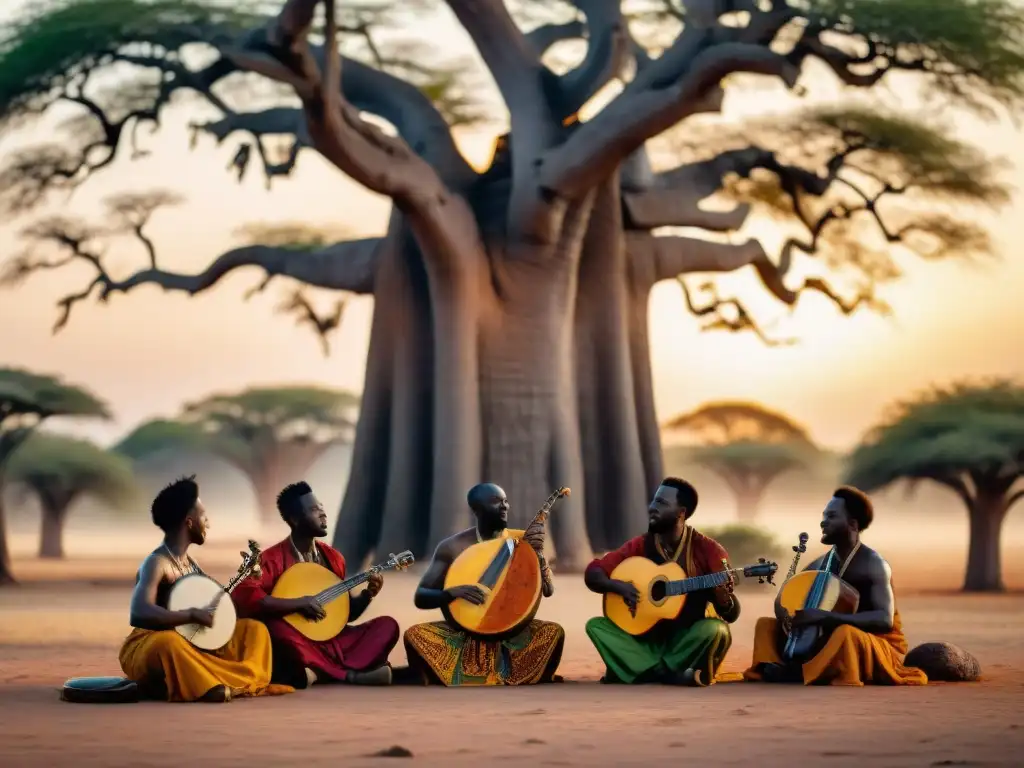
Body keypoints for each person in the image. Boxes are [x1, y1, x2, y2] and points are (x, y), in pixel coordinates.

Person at [118, 475, 292, 702]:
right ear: (189, 522)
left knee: (253, 630)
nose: (207, 523)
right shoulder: (157, 563)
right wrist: (189, 615)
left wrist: (247, 579)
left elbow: (217, 604)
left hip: (192, 642)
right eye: (204, 516)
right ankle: (211, 684)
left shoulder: (192, 565)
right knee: (169, 643)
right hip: (149, 643)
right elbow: (139, 612)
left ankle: (211, 682)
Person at [744, 486, 928, 686]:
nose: (823, 521)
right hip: (824, 639)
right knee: (765, 625)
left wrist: (826, 617)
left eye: (831, 516)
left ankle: (800, 673)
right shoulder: (819, 564)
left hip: (874, 644)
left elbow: (884, 620)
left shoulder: (873, 564)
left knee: (845, 633)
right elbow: (790, 599)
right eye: (824, 516)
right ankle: (772, 666)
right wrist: (787, 608)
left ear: (853, 524)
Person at [231, 481, 400, 687]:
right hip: (297, 637)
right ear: (294, 520)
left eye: (321, 508)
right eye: (314, 510)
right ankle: (350, 675)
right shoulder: (270, 559)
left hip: (333, 640)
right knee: (276, 629)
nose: (323, 514)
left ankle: (317, 672)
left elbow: (345, 615)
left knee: (387, 626)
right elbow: (243, 594)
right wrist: (298, 604)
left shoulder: (334, 558)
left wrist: (368, 595)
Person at [402, 483, 565, 686]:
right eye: (496, 502)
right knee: (415, 635)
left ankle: (484, 674)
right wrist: (452, 593)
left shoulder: (522, 541)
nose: (504, 506)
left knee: (552, 633)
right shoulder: (452, 547)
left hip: (510, 635)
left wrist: (539, 555)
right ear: (477, 510)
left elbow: (548, 591)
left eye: (505, 501)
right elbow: (422, 597)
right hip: (464, 636)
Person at [583, 477, 739, 687]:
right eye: (654, 501)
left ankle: (642, 670)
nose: (652, 508)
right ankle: (670, 673)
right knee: (596, 626)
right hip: (643, 641)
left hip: (685, 641)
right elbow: (594, 572)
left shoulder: (708, 550)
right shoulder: (640, 545)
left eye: (662, 504)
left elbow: (731, 613)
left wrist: (724, 598)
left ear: (681, 512)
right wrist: (617, 586)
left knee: (716, 630)